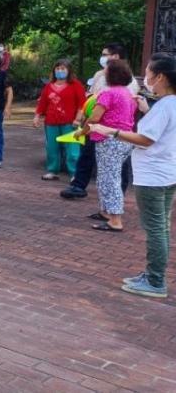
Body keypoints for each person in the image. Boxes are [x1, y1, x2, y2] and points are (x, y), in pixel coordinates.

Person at [90, 54, 176, 297]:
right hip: (167, 173)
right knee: (161, 227)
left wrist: (111, 131)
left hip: (153, 177)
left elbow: (146, 139)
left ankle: (156, 281)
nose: (146, 79)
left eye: (148, 74)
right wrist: (146, 109)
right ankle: (151, 274)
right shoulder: (168, 104)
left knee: (156, 228)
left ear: (161, 77)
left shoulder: (166, 105)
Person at [60, 43, 140, 199]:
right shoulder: (99, 76)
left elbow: (117, 107)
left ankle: (115, 201)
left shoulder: (126, 83)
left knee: (113, 170)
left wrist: (82, 130)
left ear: (115, 57)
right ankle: (79, 186)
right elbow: (90, 99)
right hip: (97, 127)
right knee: (88, 156)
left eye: (105, 54)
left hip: (113, 130)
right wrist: (84, 118)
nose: (102, 58)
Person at [85, 59, 137, 232]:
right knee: (107, 176)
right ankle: (106, 211)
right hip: (124, 139)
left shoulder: (108, 93)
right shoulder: (127, 93)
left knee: (110, 179)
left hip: (109, 140)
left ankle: (115, 219)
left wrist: (81, 131)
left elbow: (94, 117)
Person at [33, 59, 87, 181]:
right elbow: (42, 104)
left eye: (63, 69)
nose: (60, 71)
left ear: (69, 71)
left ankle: (75, 174)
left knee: (72, 149)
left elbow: (82, 104)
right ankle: (52, 170)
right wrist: (37, 116)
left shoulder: (76, 85)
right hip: (51, 122)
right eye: (57, 69)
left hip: (70, 123)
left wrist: (78, 119)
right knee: (52, 148)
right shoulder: (48, 87)